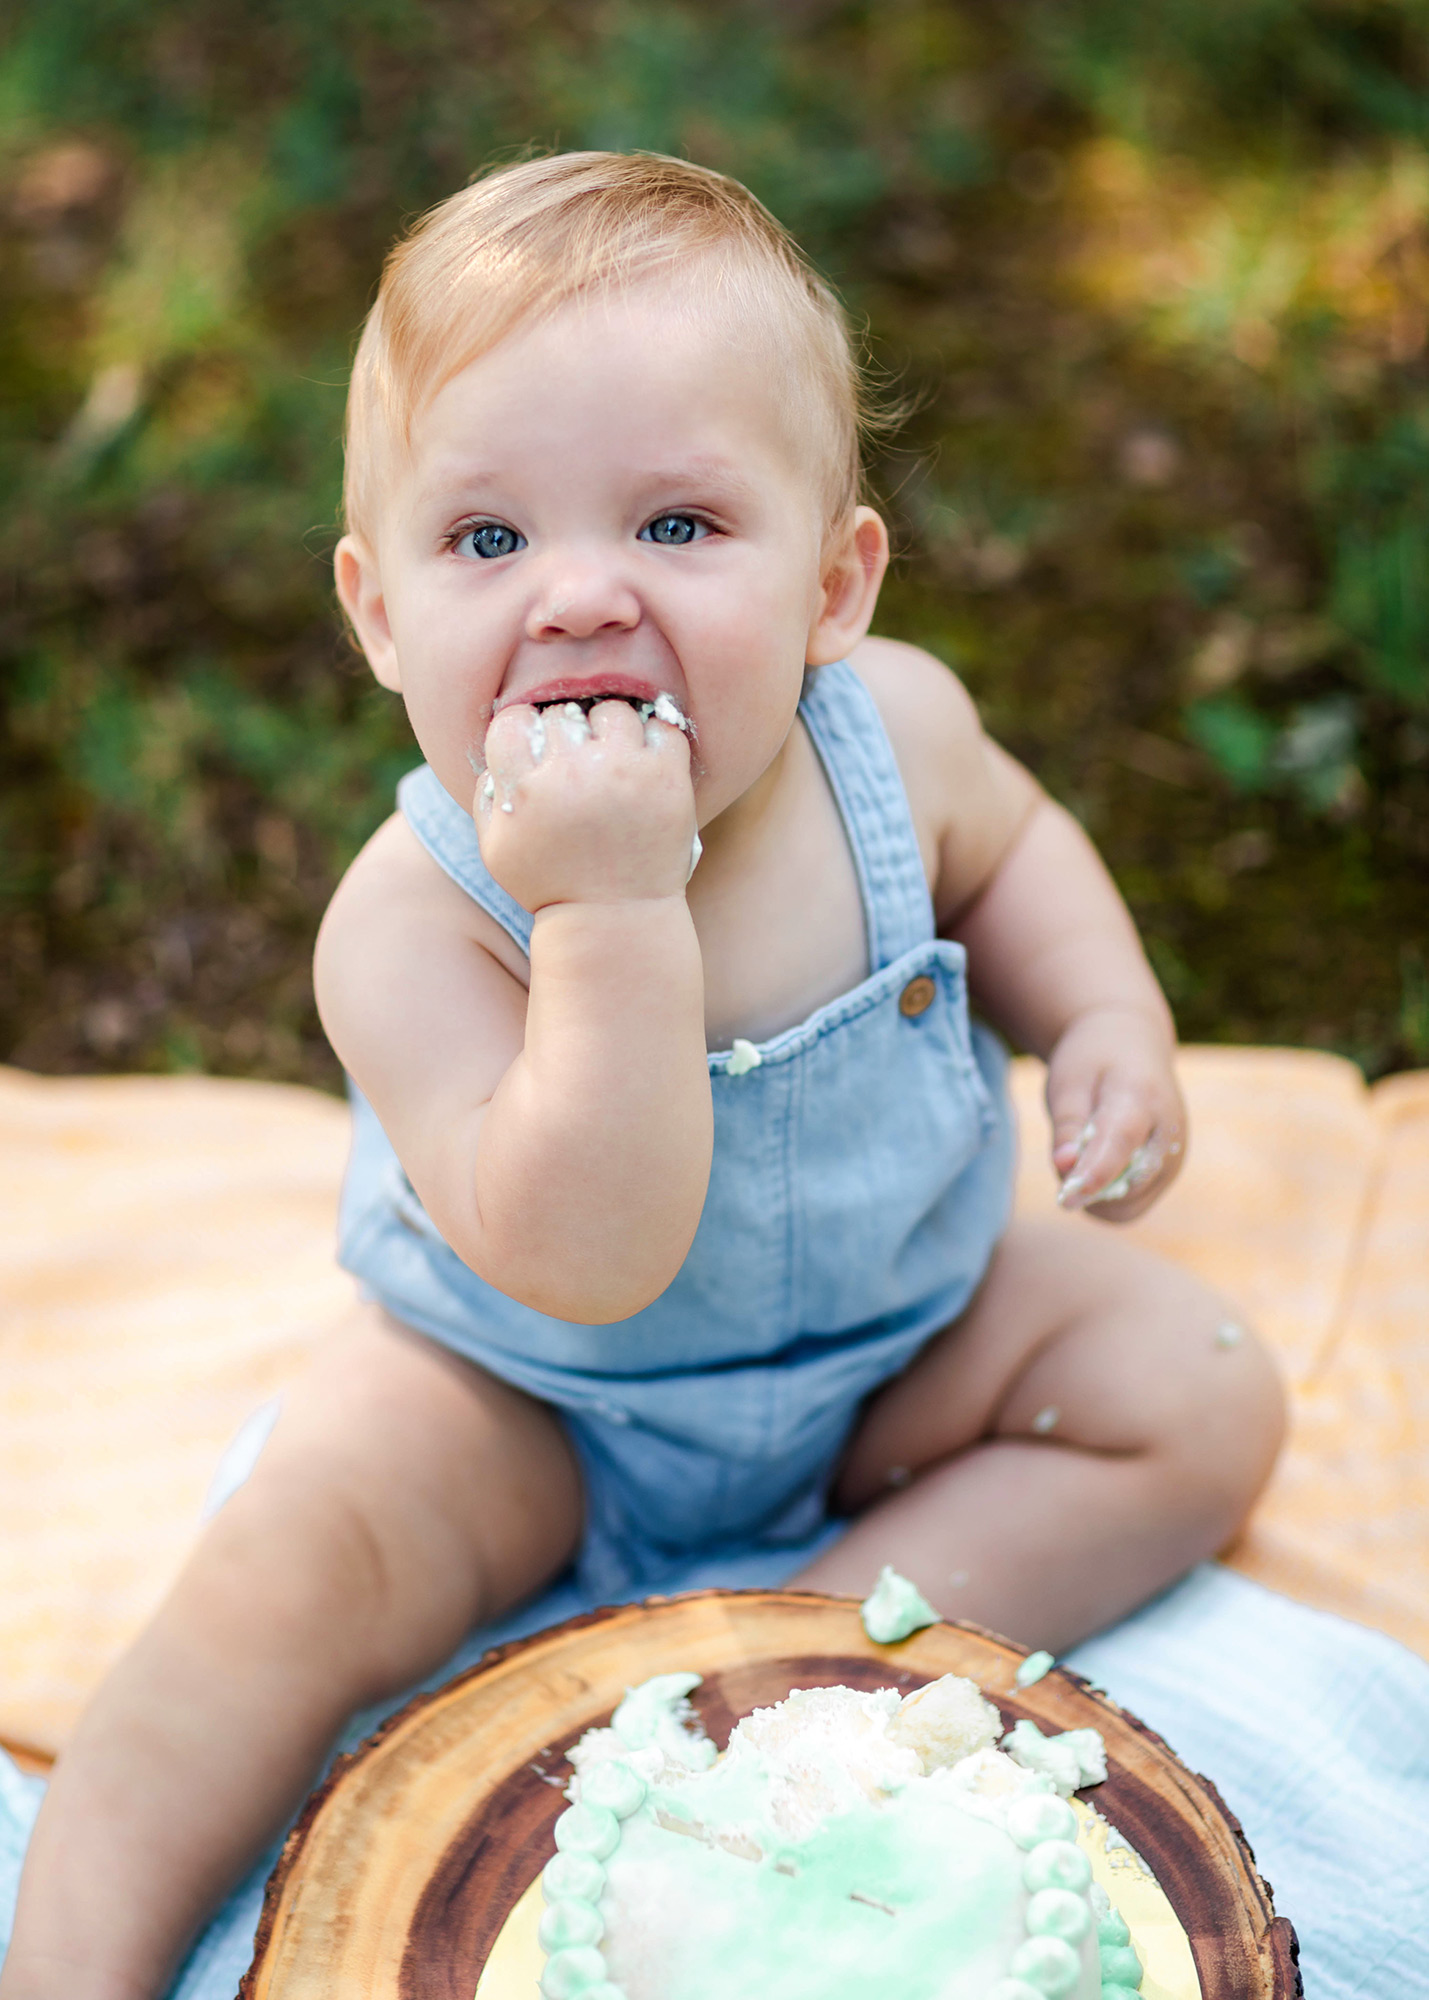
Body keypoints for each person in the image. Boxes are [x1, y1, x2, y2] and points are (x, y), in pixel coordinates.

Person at [0, 152, 1284, 2000]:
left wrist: (1104, 1021)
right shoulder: (411, 922)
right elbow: (581, 1249)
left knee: (1198, 1390)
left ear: (836, 581)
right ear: (377, 617)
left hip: (888, 1353)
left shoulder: (893, 736)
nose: (584, 596)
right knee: (256, 1609)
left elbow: (1011, 854)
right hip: (520, 1403)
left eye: (679, 526)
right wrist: (605, 907)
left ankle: (807, 1648)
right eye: (489, 541)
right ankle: (75, 1960)